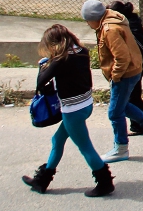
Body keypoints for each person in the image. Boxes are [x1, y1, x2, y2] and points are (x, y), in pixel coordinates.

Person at [21, 24, 115, 197]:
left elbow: (41, 82)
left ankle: (105, 182)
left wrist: (44, 66)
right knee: (57, 140)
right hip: (85, 104)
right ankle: (42, 181)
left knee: (85, 147)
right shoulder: (82, 52)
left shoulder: (60, 60)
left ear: (54, 43)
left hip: (72, 110)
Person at [81, 0, 143, 162]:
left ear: (94, 18)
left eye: (87, 21)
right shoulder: (112, 19)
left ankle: (121, 149)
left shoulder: (109, 28)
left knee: (114, 112)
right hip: (132, 69)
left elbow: (121, 57)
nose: (87, 24)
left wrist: (115, 75)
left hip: (125, 73)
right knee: (122, 105)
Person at [108, 1, 143, 135]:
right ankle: (139, 123)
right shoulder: (131, 22)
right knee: (133, 95)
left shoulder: (126, 27)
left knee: (130, 98)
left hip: (135, 66)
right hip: (139, 64)